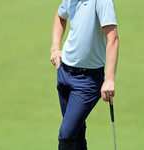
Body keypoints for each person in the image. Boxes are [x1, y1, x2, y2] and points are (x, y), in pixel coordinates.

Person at [50, 0, 119, 149]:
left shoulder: (102, 1)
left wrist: (109, 79)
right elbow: (60, 16)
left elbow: (113, 39)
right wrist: (55, 48)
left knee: (67, 135)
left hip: (87, 81)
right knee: (77, 136)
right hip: (64, 73)